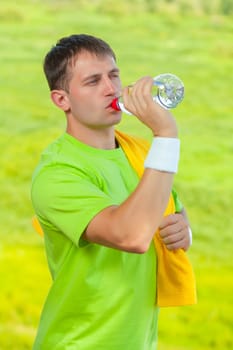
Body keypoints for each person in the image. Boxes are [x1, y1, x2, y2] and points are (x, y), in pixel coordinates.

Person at [31, 34, 193, 349]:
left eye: (113, 75)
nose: (111, 89)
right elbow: (131, 236)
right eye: (93, 81)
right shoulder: (56, 173)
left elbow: (171, 208)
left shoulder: (140, 152)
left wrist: (186, 231)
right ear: (61, 100)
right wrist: (166, 134)